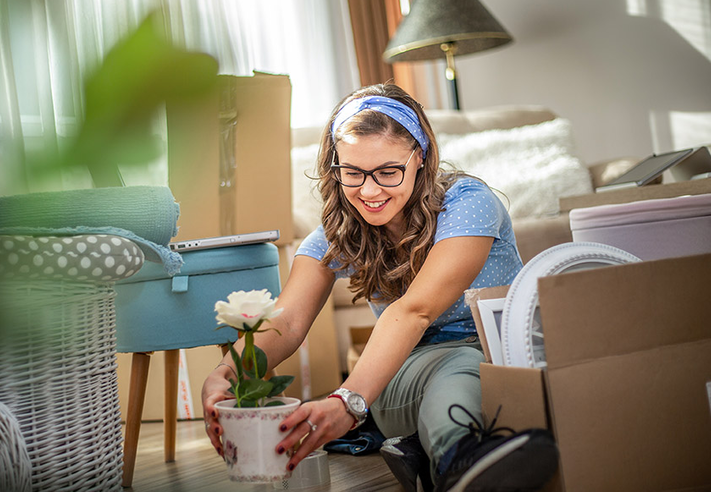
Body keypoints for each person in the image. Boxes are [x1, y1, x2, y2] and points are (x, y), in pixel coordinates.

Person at [201, 83, 558, 491]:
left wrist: (346, 402)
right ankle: (460, 459)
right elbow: (289, 321)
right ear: (335, 166)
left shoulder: (468, 201)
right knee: (459, 367)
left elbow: (415, 310)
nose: (369, 191)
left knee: (470, 364)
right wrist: (228, 371)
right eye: (352, 173)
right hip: (406, 371)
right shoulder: (333, 236)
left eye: (389, 171)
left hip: (509, 351)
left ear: (419, 158)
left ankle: (429, 455)